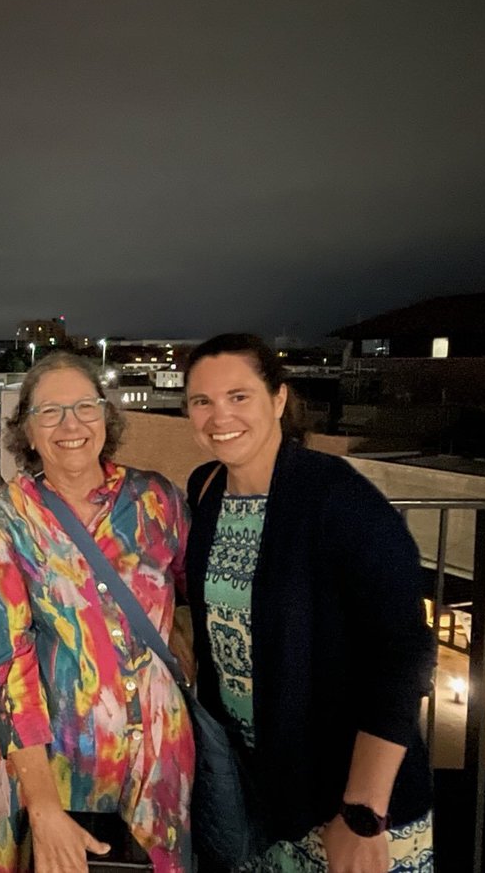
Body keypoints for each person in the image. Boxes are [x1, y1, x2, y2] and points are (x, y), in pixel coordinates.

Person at [182, 333, 434, 873]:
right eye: (201, 401)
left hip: (349, 800)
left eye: (239, 396)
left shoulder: (337, 498)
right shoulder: (204, 489)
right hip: (259, 793)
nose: (218, 415)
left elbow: (403, 652)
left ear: (278, 399)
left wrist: (363, 811)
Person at [0, 351, 193, 873]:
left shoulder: (157, 500)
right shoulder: (6, 515)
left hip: (156, 768)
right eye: (49, 412)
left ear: (106, 417)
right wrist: (43, 806)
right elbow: (5, 662)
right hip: (54, 769)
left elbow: (191, 602)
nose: (70, 424)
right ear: (26, 431)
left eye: (84, 407)